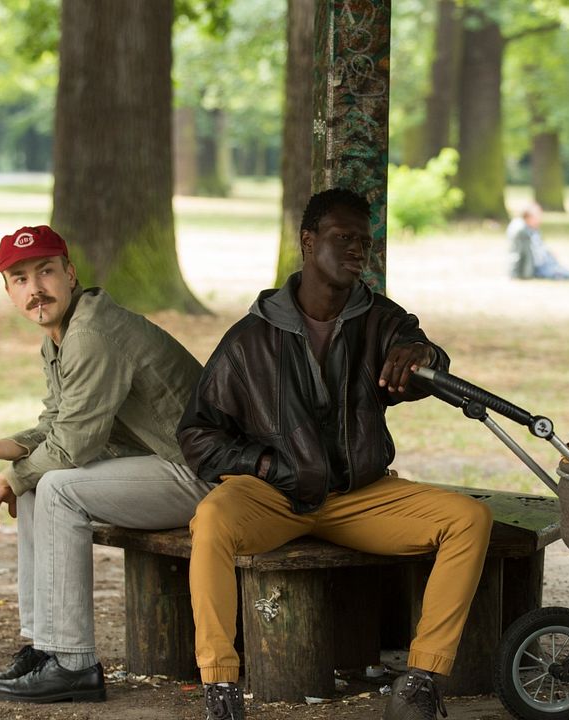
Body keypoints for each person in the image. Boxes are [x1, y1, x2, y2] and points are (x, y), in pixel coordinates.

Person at [177, 188, 493, 720]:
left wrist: (424, 354)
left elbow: (425, 355)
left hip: (359, 497)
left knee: (469, 519)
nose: (356, 252)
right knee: (210, 520)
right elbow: (198, 433)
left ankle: (421, 680)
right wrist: (261, 465)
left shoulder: (381, 319)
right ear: (307, 241)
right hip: (271, 497)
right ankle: (221, 687)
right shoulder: (250, 337)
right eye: (342, 238)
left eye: (363, 243)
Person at [0, 225, 213, 704]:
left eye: (45, 271)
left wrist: (13, 474)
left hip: (201, 475)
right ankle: (46, 648)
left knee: (55, 487)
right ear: (8, 291)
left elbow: (72, 446)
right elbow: (57, 422)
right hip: (160, 465)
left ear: (70, 274)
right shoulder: (61, 335)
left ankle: (72, 664)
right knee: (34, 483)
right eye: (20, 278)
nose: (35, 288)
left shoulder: (91, 334)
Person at [506, 202, 569, 280]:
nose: (540, 219)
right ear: (528, 217)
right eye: (538, 216)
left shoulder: (533, 230)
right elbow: (521, 256)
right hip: (538, 268)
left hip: (546, 264)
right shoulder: (522, 232)